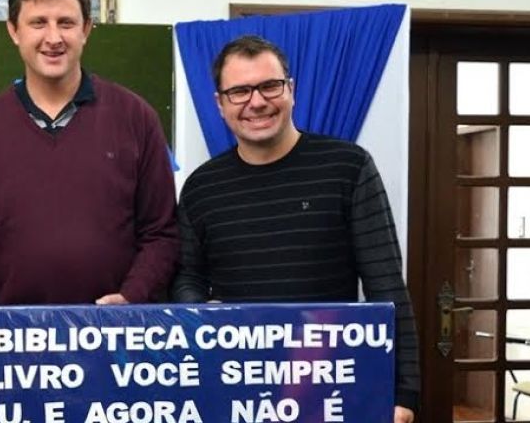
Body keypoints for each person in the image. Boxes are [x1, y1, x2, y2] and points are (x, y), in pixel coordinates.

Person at [171, 35, 420, 422]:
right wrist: (200, 311)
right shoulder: (201, 187)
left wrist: (404, 394)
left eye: (270, 86)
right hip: (234, 385)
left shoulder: (349, 167)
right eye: (239, 91)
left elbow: (386, 286)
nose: (256, 102)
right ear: (220, 104)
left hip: (334, 383)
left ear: (291, 90)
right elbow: (189, 275)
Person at [0, 0, 178, 306]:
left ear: (87, 29)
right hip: (11, 341)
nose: (53, 38)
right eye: (38, 23)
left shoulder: (137, 118)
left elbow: (161, 235)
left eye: (66, 22)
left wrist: (131, 297)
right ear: (13, 31)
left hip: (113, 337)